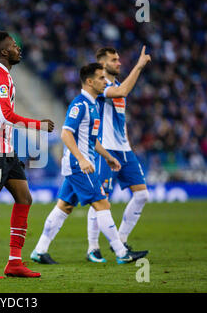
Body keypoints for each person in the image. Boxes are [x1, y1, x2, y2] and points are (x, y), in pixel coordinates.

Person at [30, 63, 148, 265]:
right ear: (90, 81)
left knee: (64, 206)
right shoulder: (80, 105)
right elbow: (66, 133)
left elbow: (92, 139)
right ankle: (121, 253)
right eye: (102, 78)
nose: (106, 81)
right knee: (102, 203)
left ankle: (39, 250)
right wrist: (82, 159)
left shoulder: (93, 105)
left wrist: (108, 157)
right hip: (79, 165)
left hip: (83, 163)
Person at [0, 31, 55, 280]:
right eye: (14, 46)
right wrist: (37, 125)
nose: (18, 48)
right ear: (4, 52)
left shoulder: (2, 74)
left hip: (5, 148)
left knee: (24, 198)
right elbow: (6, 115)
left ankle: (14, 263)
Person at [85, 46, 151, 262]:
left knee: (142, 195)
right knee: (101, 198)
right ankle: (93, 248)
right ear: (103, 65)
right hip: (106, 149)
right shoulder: (101, 87)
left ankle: (120, 241)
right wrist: (139, 67)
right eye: (114, 60)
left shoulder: (118, 84)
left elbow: (120, 110)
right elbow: (121, 93)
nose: (119, 63)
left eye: (119, 59)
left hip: (124, 149)